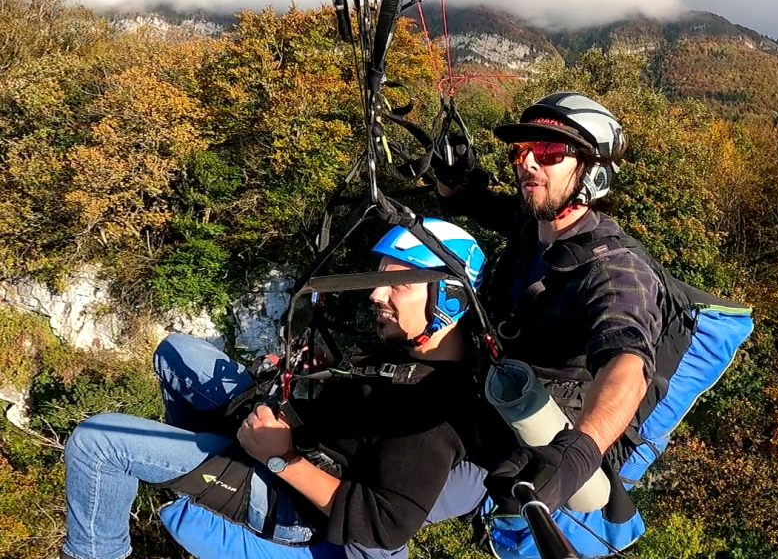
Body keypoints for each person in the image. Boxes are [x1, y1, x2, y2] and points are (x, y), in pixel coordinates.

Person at [60, 219, 489, 559]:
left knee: (96, 444)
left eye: (399, 285)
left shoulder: (432, 413)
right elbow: (368, 403)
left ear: (449, 300)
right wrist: (326, 368)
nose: (376, 294)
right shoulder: (409, 350)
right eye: (379, 279)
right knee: (176, 352)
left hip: (293, 497)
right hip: (293, 439)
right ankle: (194, 467)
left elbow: (384, 526)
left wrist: (280, 458)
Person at [434, 92, 662, 517]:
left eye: (550, 151)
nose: (528, 162)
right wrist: (451, 173)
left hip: (519, 440)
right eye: (521, 151)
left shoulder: (616, 272)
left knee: (379, 502)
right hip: (474, 389)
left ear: (594, 175)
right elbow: (467, 201)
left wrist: (579, 451)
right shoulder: (532, 222)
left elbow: (627, 362)